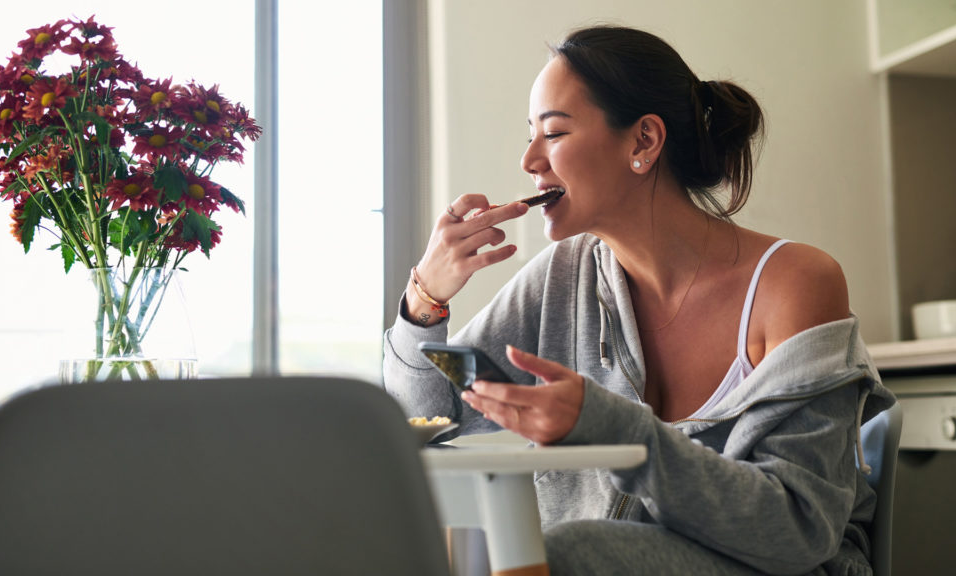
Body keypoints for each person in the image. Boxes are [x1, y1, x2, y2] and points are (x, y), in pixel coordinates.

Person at [383, 24, 894, 576]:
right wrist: (425, 298)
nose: (529, 160)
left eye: (552, 134)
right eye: (528, 135)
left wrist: (608, 424)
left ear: (643, 141)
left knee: (564, 554)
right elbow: (427, 419)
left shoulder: (795, 282)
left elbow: (799, 529)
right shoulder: (563, 277)